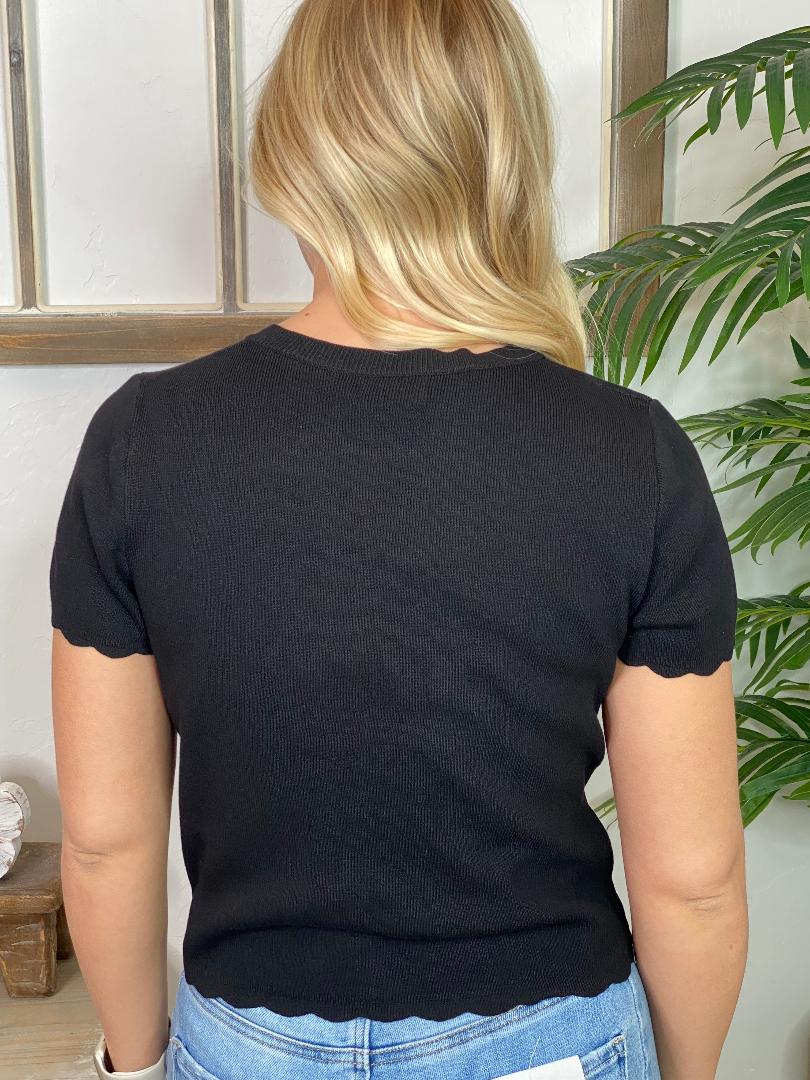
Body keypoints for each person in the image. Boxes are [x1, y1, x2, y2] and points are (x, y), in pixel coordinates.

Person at [48, 1, 747, 1078]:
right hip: (551, 1040)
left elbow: (104, 843)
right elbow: (692, 883)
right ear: (505, 159)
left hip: (253, 1042)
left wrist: (134, 1065)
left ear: (293, 155)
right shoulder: (632, 453)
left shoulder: (142, 441)